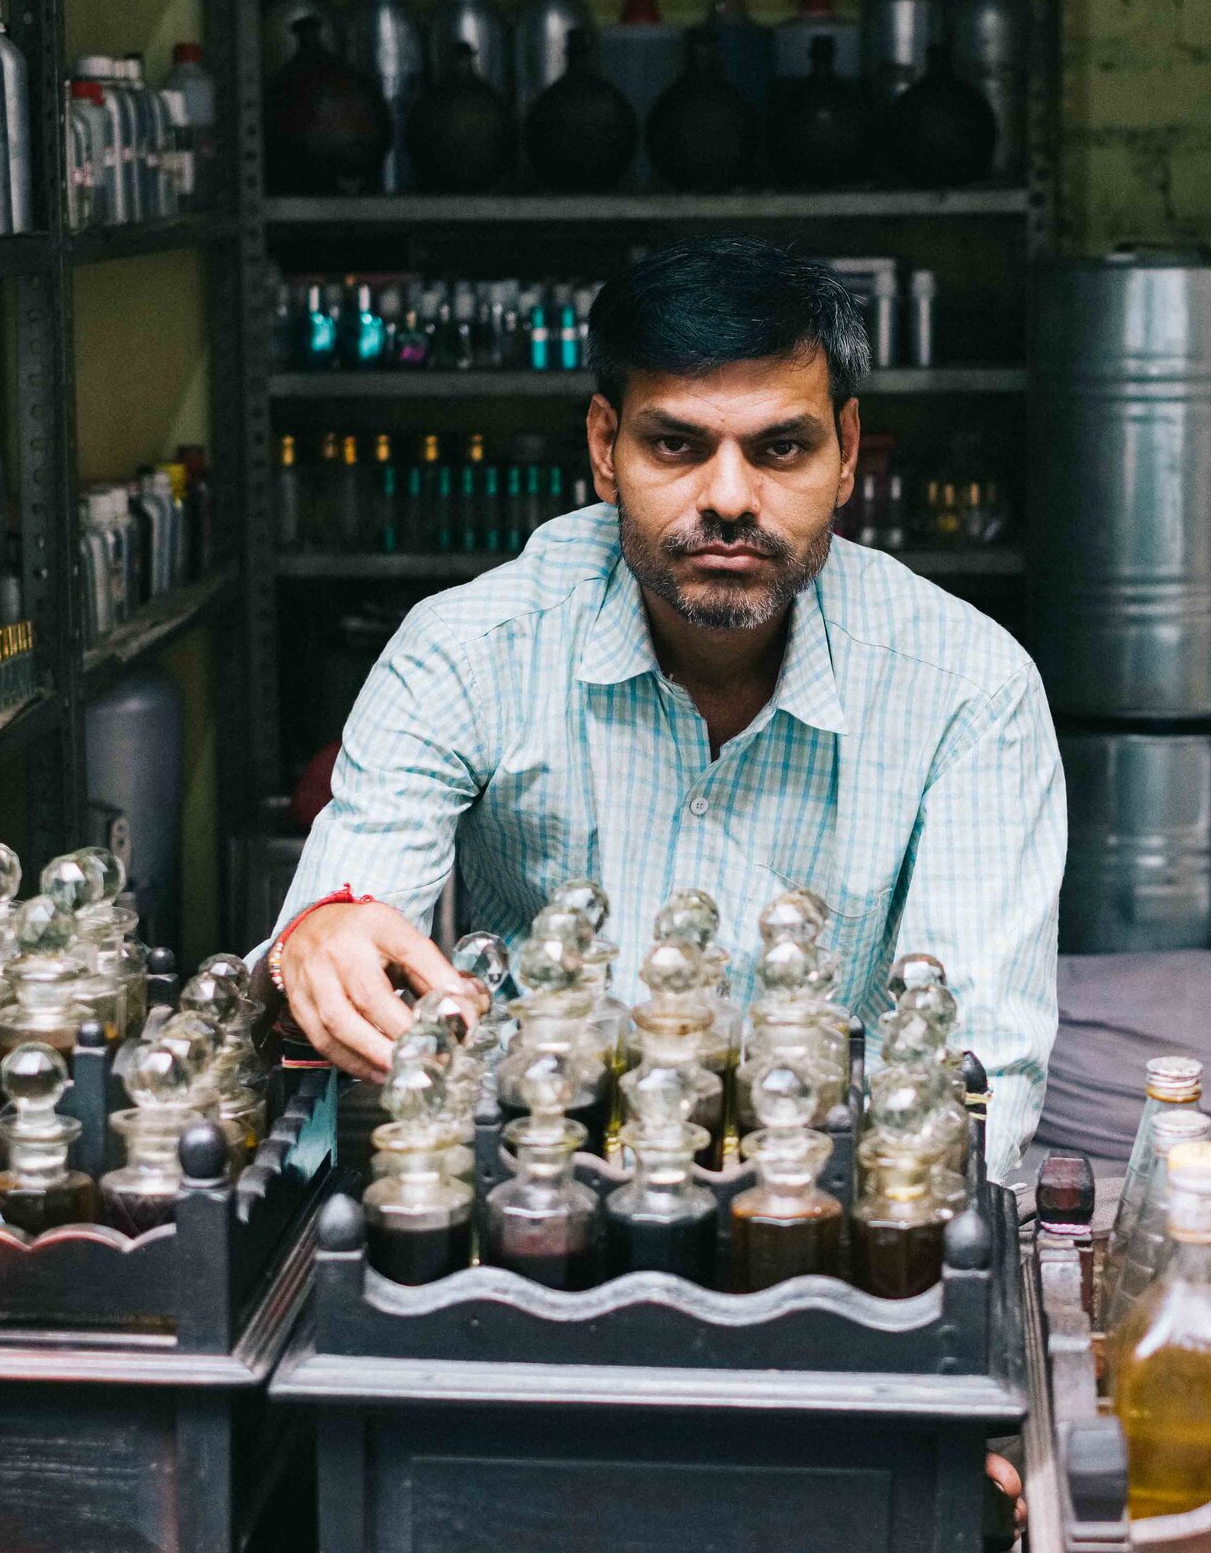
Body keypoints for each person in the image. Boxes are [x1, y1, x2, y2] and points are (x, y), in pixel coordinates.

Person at [262, 235, 1065, 1178]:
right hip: (535, 1193)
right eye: (676, 444)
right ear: (606, 447)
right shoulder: (467, 650)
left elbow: (979, 1076)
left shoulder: (971, 688)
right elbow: (348, 933)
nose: (729, 498)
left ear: (847, 454)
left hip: (825, 1215)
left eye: (782, 447)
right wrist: (312, 950)